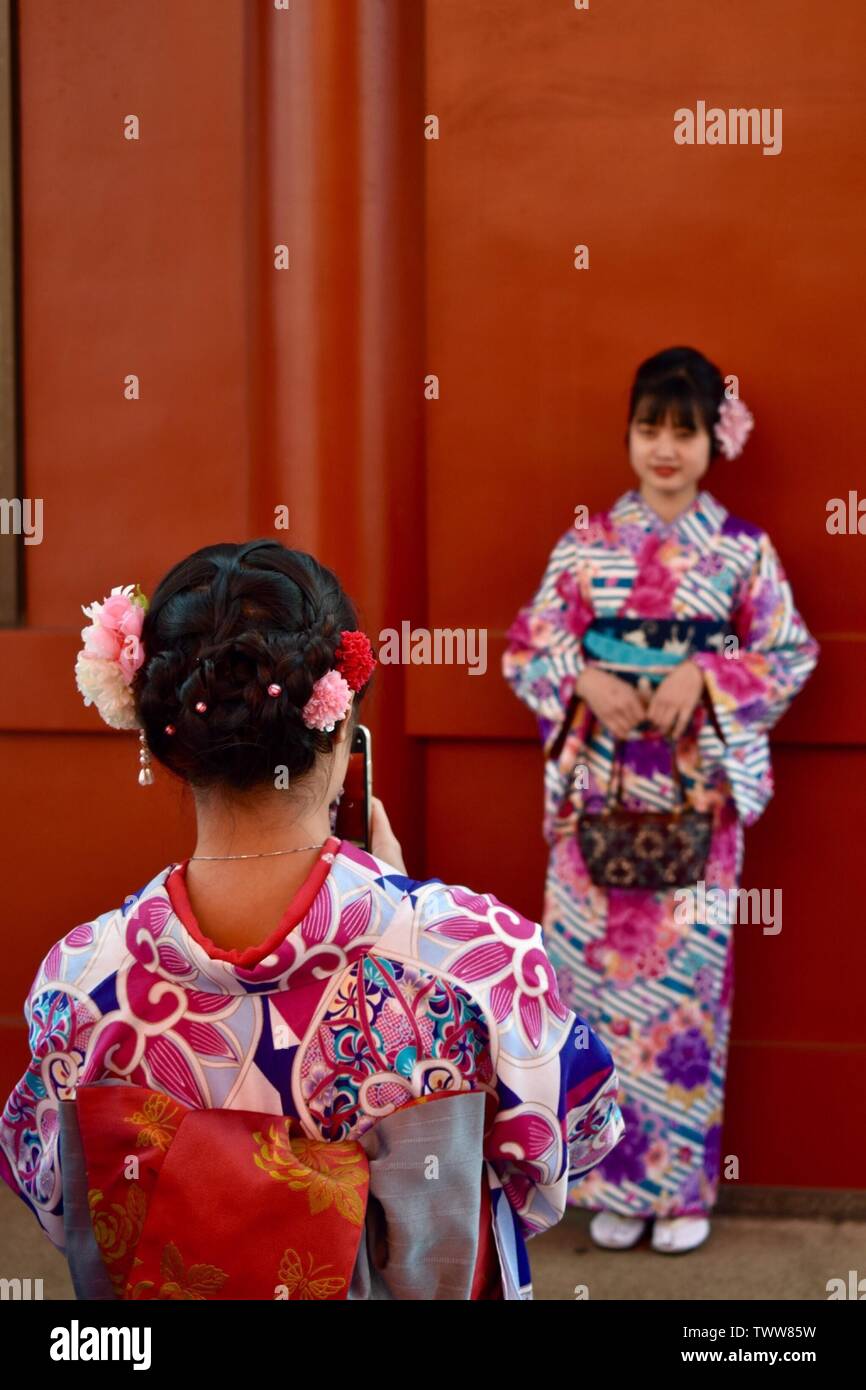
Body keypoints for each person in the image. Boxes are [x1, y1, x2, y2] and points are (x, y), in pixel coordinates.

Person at [0, 539, 624, 1301]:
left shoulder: (79, 982)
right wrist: (399, 902)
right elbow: (565, 1149)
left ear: (160, 737)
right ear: (339, 724)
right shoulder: (473, 957)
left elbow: (58, 1201)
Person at [502, 346, 819, 1255]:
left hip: (694, 801)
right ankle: (607, 1180)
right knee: (593, 989)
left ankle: (681, 1193)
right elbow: (529, 648)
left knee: (686, 1001)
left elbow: (790, 654)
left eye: (684, 430)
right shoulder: (588, 547)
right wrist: (585, 681)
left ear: (714, 440)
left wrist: (707, 676)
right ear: (631, 435)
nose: (665, 448)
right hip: (599, 798)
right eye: (650, 428)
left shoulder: (742, 554)